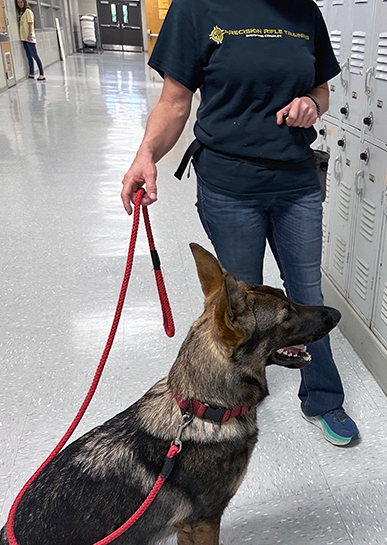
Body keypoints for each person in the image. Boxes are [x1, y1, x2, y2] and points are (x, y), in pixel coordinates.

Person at [120, 0, 359, 446]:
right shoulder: (196, 9)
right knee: (241, 306)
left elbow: (322, 90)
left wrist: (311, 103)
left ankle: (323, 398)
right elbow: (174, 104)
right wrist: (145, 156)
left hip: (296, 182)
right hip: (229, 186)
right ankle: (232, 407)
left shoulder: (304, 12)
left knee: (306, 292)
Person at [16, 0, 45, 81]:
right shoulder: (22, 12)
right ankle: (31, 72)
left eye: (21, 2)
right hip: (24, 37)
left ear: (25, 3)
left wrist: (30, 34)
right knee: (29, 56)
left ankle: (42, 73)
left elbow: (30, 24)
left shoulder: (28, 11)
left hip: (29, 38)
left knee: (35, 55)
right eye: (18, 2)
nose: (20, 4)